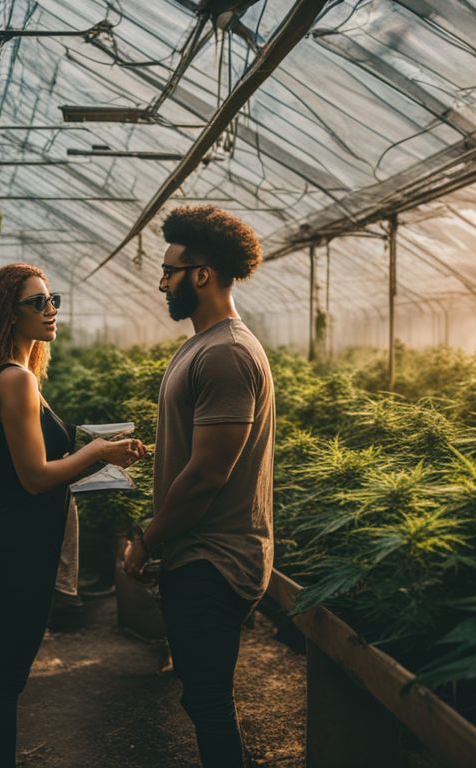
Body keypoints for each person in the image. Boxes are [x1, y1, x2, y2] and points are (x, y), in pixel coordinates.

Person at [0, 263, 145, 768]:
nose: (51, 310)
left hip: (17, 536)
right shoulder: (15, 380)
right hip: (19, 544)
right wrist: (98, 452)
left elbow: (45, 474)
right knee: (5, 679)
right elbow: (36, 477)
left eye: (52, 299)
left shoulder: (18, 376)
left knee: (8, 674)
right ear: (7, 314)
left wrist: (97, 460)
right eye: (37, 303)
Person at [122, 206, 276, 768]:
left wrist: (147, 540)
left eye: (170, 271)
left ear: (203, 274)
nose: (163, 282)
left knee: (208, 701)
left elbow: (210, 474)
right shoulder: (202, 346)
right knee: (201, 695)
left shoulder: (227, 353)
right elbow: (204, 450)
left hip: (216, 558)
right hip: (200, 553)